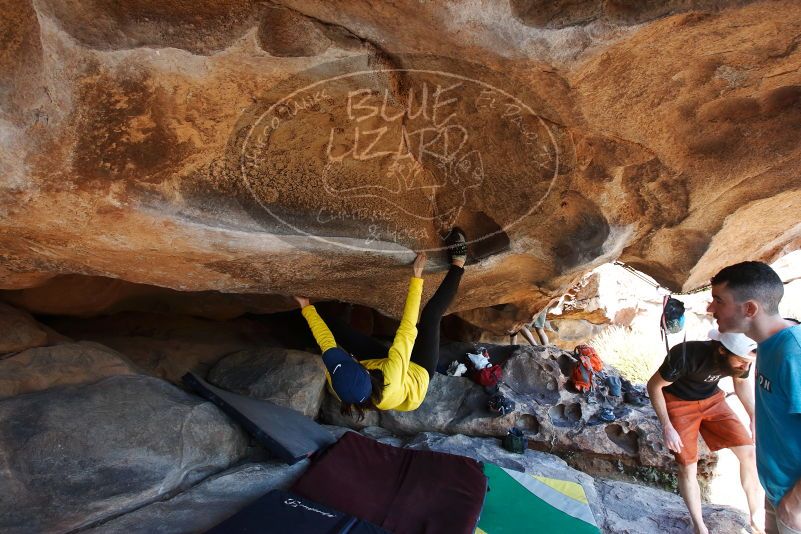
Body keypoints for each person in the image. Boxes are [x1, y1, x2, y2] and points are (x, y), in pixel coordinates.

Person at [294, 229, 468, 417]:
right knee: (430, 317)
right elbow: (407, 330)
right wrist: (417, 278)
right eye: (350, 360)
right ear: (363, 370)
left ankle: (340, 310)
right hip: (418, 373)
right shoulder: (390, 375)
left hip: (377, 370)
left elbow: (326, 343)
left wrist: (306, 307)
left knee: (339, 333)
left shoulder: (339, 385)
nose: (349, 358)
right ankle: (459, 263)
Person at [708, 261, 801, 534]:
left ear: (749, 308)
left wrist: (795, 503)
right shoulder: (767, 345)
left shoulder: (793, 354)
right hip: (778, 489)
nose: (710, 308)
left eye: (718, 300)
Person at [647, 329, 764, 534]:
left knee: (750, 454)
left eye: (748, 362)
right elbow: (654, 386)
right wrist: (667, 426)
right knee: (687, 465)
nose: (745, 366)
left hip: (713, 400)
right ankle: (699, 526)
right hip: (679, 403)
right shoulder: (685, 355)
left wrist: (753, 416)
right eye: (741, 362)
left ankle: (756, 519)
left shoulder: (741, 357)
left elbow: (742, 382)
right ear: (721, 351)